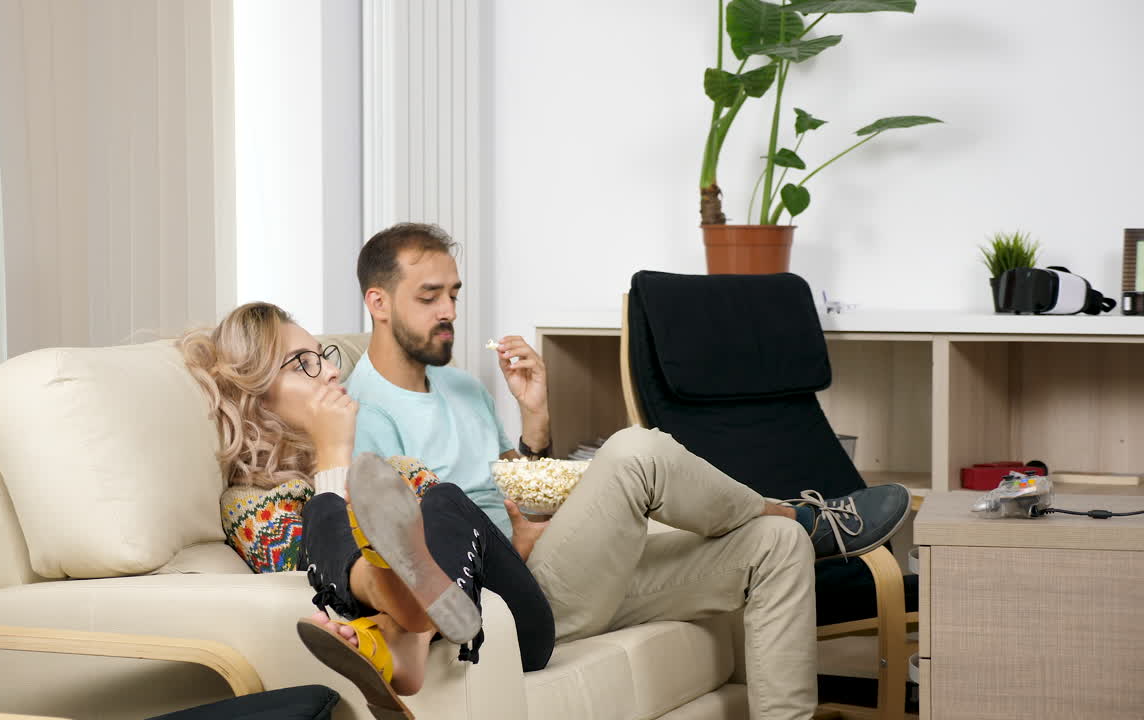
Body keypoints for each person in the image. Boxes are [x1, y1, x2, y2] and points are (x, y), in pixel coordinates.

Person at [340, 223, 914, 720]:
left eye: (455, 295)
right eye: (430, 297)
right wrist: (514, 544)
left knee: (777, 546)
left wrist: (535, 420)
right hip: (508, 598)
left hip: (558, 567)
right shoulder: (361, 413)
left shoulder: (464, 387)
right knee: (635, 450)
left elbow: (523, 496)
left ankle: (792, 524)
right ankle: (798, 511)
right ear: (379, 303)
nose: (450, 312)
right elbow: (416, 556)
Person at [179, 303, 554, 720]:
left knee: (444, 499)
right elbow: (311, 583)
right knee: (323, 514)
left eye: (323, 356)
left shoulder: (394, 475)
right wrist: (332, 454)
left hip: (523, 631)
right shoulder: (249, 504)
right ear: (255, 395)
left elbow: (458, 565)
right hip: (456, 629)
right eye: (303, 363)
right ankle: (405, 620)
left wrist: (511, 546)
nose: (331, 371)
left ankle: (404, 632)